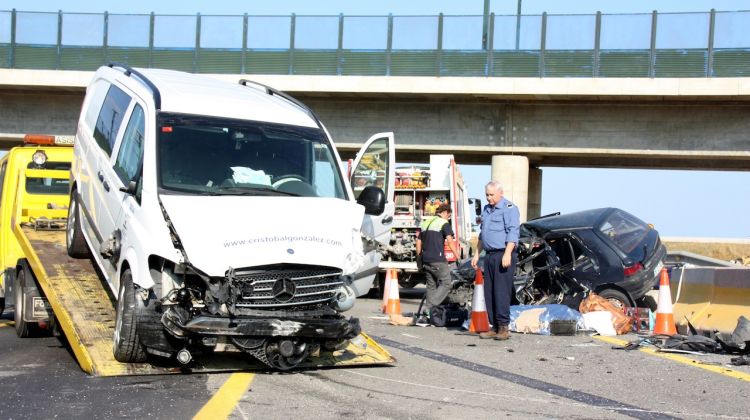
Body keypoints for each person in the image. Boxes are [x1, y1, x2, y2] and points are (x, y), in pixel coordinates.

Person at [471, 181, 520, 340]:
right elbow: (482, 234)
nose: (489, 198)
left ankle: (504, 327)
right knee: (489, 291)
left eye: (492, 195)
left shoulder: (509, 209)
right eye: (487, 194)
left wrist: (507, 253)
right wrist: (477, 254)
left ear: (501, 193)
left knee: (501, 291)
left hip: (503, 254)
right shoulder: (486, 210)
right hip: (490, 255)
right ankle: (494, 326)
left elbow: (513, 232)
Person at [416, 203, 459, 321]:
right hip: (438, 260)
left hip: (426, 260)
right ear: (445, 213)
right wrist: (458, 257)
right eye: (449, 216)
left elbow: (418, 242)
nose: (448, 218)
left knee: (431, 286)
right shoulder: (443, 223)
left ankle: (428, 317)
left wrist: (419, 258)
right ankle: (429, 308)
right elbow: (450, 241)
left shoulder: (425, 223)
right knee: (446, 283)